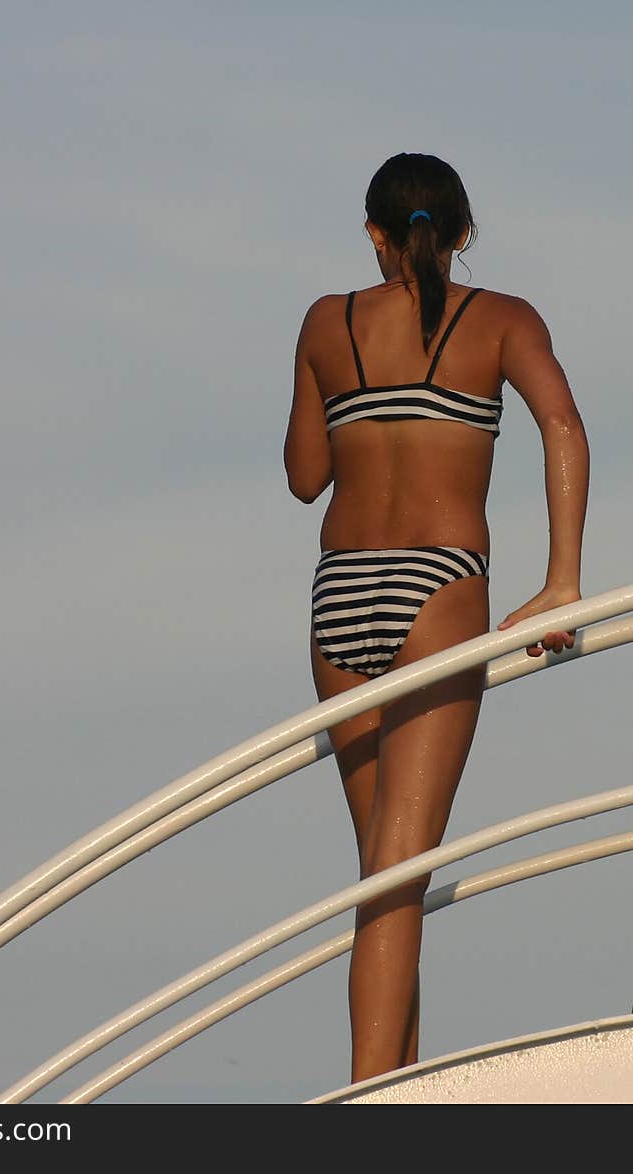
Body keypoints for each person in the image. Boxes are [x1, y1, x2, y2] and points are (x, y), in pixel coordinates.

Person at [283, 152, 590, 1085]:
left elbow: (304, 479)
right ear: (461, 234)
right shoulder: (500, 319)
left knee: (387, 879)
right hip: (438, 586)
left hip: (339, 593)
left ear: (375, 234)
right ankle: (373, 1106)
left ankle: (395, 1092)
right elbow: (564, 426)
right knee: (397, 882)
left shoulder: (326, 323)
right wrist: (563, 578)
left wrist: (361, 401)